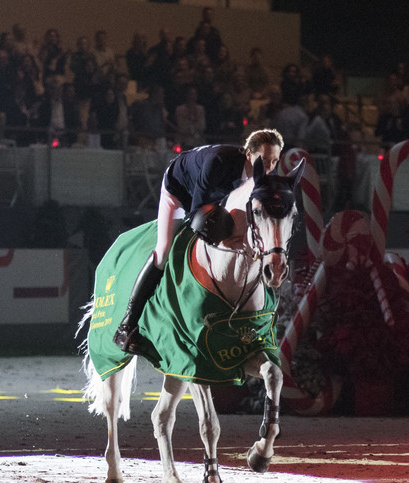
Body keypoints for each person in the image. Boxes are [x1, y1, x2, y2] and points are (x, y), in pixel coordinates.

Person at [113, 128, 284, 354]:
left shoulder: (262, 179)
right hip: (180, 190)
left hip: (216, 195)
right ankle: (126, 327)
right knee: (163, 252)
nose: (269, 168)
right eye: (263, 160)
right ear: (247, 154)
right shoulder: (218, 163)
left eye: (274, 161)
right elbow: (198, 216)